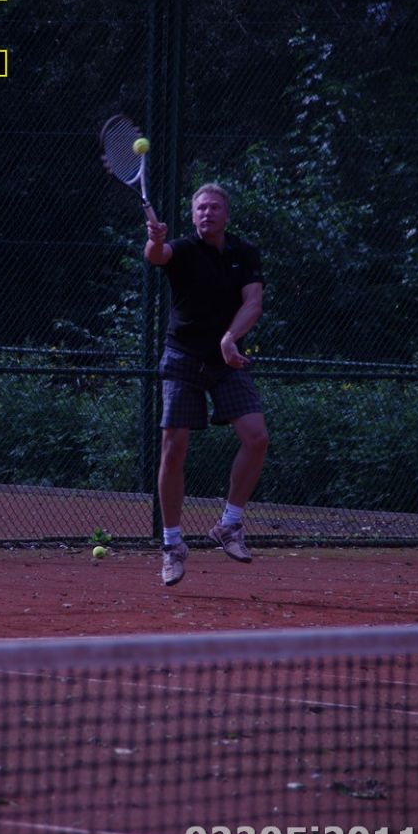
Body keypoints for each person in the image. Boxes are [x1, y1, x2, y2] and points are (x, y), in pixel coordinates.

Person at [144, 182, 268, 586]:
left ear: (226, 215)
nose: (207, 214)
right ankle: (172, 545)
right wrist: (155, 239)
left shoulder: (244, 253)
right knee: (173, 446)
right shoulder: (181, 249)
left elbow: (253, 303)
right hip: (182, 356)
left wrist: (230, 339)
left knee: (257, 438)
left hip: (226, 360)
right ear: (192, 215)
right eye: (200, 208)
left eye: (214, 208)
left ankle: (229, 525)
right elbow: (157, 256)